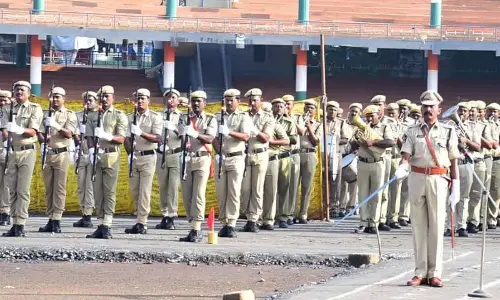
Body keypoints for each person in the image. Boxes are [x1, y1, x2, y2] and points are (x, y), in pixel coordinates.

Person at [396, 90, 460, 287]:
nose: (428, 110)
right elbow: (406, 156)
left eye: (432, 106)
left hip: (438, 179)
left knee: (437, 226)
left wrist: (455, 186)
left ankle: (435, 273)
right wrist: (402, 167)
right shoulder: (412, 131)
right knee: (418, 226)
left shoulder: (448, 131)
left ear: (439, 110)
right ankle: (420, 272)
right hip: (416, 177)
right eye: (425, 106)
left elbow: (453, 161)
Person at [85, 85, 127, 239]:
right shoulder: (92, 115)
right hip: (96, 155)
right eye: (101, 96)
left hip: (111, 155)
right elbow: (89, 136)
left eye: (107, 96)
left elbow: (121, 139)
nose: (104, 99)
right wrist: (90, 150)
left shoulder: (119, 115)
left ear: (113, 98)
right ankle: (100, 224)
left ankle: (108, 223)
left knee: (109, 191)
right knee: (97, 191)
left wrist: (106, 136)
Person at [1, 81, 43, 237]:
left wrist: (18, 129)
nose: (19, 92)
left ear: (28, 92)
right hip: (12, 151)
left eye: (22, 90)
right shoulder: (7, 108)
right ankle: (14, 221)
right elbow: (4, 131)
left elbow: (33, 131)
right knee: (12, 189)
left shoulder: (35, 108)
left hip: (27, 151)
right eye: (16, 89)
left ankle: (21, 223)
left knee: (23, 189)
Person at [38, 87, 78, 233]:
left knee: (59, 188)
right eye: (52, 97)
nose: (54, 99)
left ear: (63, 98)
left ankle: (57, 218)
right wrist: (43, 140)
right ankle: (50, 217)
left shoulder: (69, 114)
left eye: (57, 97)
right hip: (48, 153)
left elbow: (69, 134)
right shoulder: (45, 114)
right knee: (49, 188)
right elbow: (40, 133)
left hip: (62, 153)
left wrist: (55, 125)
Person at [350, 104, 394, 233]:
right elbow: (353, 147)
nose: (369, 120)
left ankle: (374, 222)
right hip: (363, 162)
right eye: (367, 117)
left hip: (378, 162)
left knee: (377, 194)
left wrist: (373, 142)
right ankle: (363, 221)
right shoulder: (360, 128)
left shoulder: (385, 127)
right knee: (362, 193)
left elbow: (390, 142)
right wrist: (356, 140)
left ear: (378, 115)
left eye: (371, 116)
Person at [179, 90, 216, 243]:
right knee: (187, 195)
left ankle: (197, 228)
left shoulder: (210, 119)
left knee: (198, 194)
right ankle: (192, 224)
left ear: (204, 103)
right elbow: (181, 137)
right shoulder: (184, 118)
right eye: (193, 101)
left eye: (199, 101)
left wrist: (194, 134)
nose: (195, 103)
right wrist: (184, 137)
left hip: (202, 158)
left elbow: (210, 139)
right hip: (187, 159)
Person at [124, 88, 162, 234]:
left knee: (144, 191)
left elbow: (158, 138)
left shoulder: (154, 117)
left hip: (148, 156)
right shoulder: (129, 117)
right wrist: (129, 153)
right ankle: (138, 219)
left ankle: (142, 222)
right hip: (135, 156)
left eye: (143, 98)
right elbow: (126, 139)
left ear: (148, 101)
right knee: (135, 190)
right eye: (138, 98)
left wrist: (141, 133)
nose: (139, 101)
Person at [214, 89, 251, 237]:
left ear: (238, 101)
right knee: (221, 192)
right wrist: (218, 151)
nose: (228, 102)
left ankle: (232, 223)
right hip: (222, 157)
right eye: (226, 100)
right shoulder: (218, 116)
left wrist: (228, 132)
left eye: (231, 100)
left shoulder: (243, 117)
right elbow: (214, 137)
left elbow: (245, 136)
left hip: (236, 157)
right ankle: (223, 222)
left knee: (234, 191)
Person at [241, 88, 274, 233]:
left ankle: (254, 219)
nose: (252, 103)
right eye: (250, 100)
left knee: (257, 188)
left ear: (261, 100)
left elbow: (266, 137)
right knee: (245, 189)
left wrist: (253, 130)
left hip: (260, 154)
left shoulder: (267, 117)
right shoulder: (244, 115)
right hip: (245, 154)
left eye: (255, 100)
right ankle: (248, 216)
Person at [443, 102, 479, 237]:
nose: (462, 113)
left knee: (464, 196)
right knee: (449, 196)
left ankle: (461, 225)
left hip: (465, 163)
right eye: (460, 111)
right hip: (451, 164)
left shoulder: (471, 127)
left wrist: (466, 141)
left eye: (465, 111)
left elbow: (478, 147)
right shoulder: (448, 127)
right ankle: (449, 226)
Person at [155, 88, 183, 230]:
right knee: (163, 186)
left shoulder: (182, 116)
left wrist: (174, 128)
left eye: (173, 97)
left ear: (177, 100)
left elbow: (183, 134)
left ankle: (172, 215)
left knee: (173, 186)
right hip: (161, 153)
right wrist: (159, 139)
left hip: (175, 153)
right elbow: (154, 133)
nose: (170, 100)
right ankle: (164, 214)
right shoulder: (159, 115)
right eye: (168, 97)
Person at [370, 95, 396, 231]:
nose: (378, 107)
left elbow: (393, 140)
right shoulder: (367, 121)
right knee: (374, 189)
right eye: (375, 104)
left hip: (386, 157)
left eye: (380, 104)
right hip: (371, 158)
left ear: (384, 106)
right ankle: (372, 218)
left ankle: (383, 218)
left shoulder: (390, 122)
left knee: (385, 190)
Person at [466, 100, 492, 233]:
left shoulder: (483, 125)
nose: (471, 113)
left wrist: (475, 137)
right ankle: (463, 222)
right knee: (464, 194)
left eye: (473, 110)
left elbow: (489, 145)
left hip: (478, 161)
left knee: (476, 194)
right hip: (465, 162)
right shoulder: (460, 125)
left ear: (477, 112)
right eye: (469, 110)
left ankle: (473, 221)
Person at [296, 98, 322, 223]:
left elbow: (316, 141)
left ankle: (303, 214)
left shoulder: (318, 124)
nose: (308, 110)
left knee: (306, 186)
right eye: (306, 107)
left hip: (309, 154)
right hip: (296, 154)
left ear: (315, 111)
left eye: (311, 108)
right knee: (293, 185)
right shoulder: (297, 120)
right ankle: (291, 213)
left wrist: (310, 128)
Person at [73, 91, 97, 228]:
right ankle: (83, 212)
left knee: (89, 186)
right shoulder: (78, 115)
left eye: (91, 100)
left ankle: (88, 214)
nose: (87, 102)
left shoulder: (97, 116)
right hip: (81, 152)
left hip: (92, 153)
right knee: (81, 185)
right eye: (86, 100)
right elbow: (75, 133)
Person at [270, 98, 293, 228]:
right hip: (271, 156)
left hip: (284, 156)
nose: (279, 108)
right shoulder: (267, 120)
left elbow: (293, 140)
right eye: (276, 106)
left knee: (284, 187)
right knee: (269, 188)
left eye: (281, 106)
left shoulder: (289, 122)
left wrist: (277, 139)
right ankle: (269, 216)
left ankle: (283, 216)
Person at [325, 101, 350, 217]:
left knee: (335, 181)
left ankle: (334, 206)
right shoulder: (320, 122)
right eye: (330, 109)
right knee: (322, 180)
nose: (332, 112)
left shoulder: (341, 123)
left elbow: (346, 139)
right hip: (322, 154)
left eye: (335, 110)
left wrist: (334, 141)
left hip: (335, 154)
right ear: (326, 110)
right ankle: (323, 205)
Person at [283, 95, 303, 224]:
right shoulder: (278, 118)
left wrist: (291, 119)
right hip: (282, 153)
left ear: (293, 105)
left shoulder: (297, 117)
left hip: (294, 153)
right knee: (282, 185)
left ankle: (290, 213)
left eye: (288, 104)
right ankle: (281, 213)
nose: (286, 106)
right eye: (284, 103)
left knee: (293, 185)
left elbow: (301, 131)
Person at [395, 99, 416, 226]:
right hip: (394, 156)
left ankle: (403, 215)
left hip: (407, 157)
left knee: (406, 189)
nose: (402, 111)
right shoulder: (393, 122)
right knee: (394, 189)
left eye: (405, 108)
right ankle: (393, 215)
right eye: (400, 108)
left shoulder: (412, 124)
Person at [339, 103, 361, 214]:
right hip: (341, 156)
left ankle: (351, 206)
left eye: (356, 112)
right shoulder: (342, 123)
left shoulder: (361, 126)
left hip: (353, 157)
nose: (353, 113)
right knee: (342, 182)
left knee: (354, 181)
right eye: (352, 111)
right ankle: (341, 206)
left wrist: (358, 150)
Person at [485, 103, 500, 228]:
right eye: (490, 111)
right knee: (485, 189)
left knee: (496, 190)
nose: (492, 114)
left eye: (495, 111)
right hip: (487, 158)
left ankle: (493, 216)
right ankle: (484, 218)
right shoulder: (482, 125)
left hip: (497, 159)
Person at [0, 90, 12, 226]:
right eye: (0, 99)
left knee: (7, 184)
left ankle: (5, 212)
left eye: (5, 100)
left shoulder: (13, 114)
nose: (2, 102)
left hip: (8, 150)